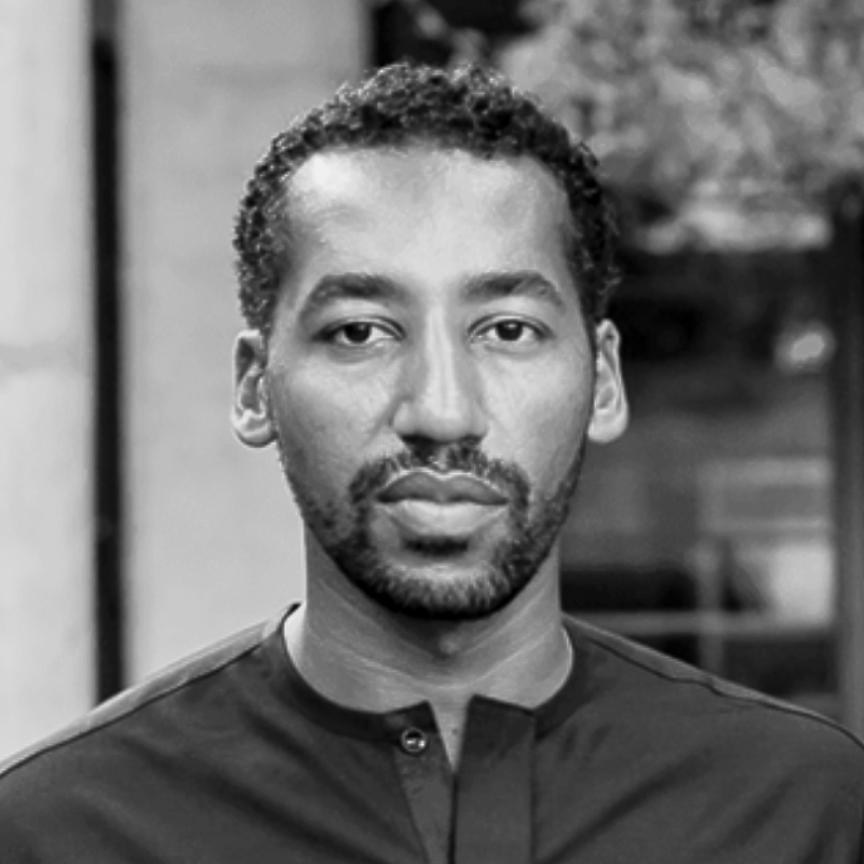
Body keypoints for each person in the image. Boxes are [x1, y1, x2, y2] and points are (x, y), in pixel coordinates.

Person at [1, 61, 862, 864]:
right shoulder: (58, 832)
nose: (442, 411)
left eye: (508, 330)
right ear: (255, 387)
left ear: (603, 380)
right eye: (360, 332)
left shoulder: (807, 809)